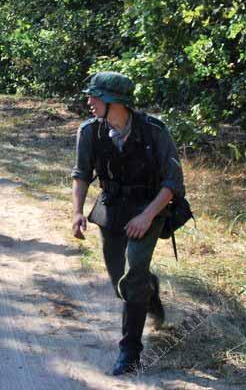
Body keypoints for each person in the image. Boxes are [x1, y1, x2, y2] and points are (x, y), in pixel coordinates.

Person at [71, 71, 185, 375]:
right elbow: (82, 174)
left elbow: (173, 182)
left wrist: (147, 216)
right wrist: (77, 212)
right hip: (112, 208)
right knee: (120, 282)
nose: (89, 101)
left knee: (133, 273)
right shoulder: (89, 132)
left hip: (149, 208)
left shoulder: (154, 131)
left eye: (94, 96)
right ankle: (149, 287)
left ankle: (130, 352)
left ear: (113, 101)